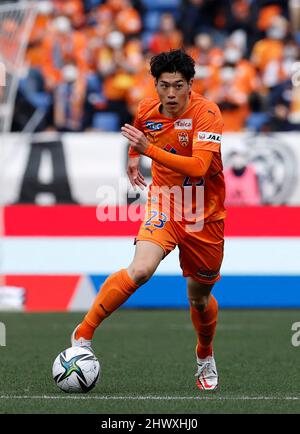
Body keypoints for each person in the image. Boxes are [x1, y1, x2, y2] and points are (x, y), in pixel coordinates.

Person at [71, 49, 226, 391]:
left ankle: (204, 353)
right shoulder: (145, 108)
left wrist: (146, 151)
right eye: (164, 85)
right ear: (154, 84)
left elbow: (199, 167)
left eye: (179, 86)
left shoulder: (207, 114)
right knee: (140, 270)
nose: (171, 94)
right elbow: (140, 129)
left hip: (205, 214)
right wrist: (131, 156)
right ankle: (83, 333)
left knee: (199, 297)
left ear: (190, 85)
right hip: (165, 205)